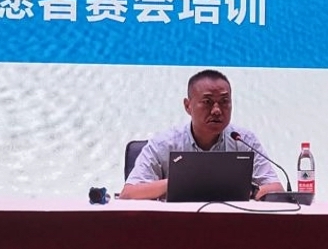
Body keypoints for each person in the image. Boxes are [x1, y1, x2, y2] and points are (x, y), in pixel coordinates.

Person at [120, 69, 284, 200]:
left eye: (224, 102)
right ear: (188, 106)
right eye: (207, 102)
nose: (217, 110)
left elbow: (276, 188)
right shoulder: (164, 143)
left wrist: (248, 190)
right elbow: (128, 194)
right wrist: (180, 184)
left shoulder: (242, 140)